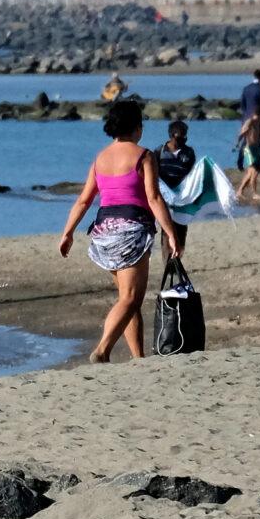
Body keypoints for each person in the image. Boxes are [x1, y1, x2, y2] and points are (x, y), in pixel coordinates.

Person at [57, 96, 184, 363]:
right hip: (131, 233)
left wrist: (67, 232)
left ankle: (138, 357)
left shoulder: (100, 158)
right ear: (136, 127)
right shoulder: (144, 155)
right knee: (130, 298)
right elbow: (154, 198)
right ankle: (103, 349)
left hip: (103, 233)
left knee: (128, 299)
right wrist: (171, 232)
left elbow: (84, 199)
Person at [153, 120, 198, 252]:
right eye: (181, 135)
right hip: (164, 196)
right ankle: (167, 260)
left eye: (185, 135)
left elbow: (192, 175)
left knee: (181, 228)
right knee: (166, 227)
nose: (184, 138)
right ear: (172, 135)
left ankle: (178, 255)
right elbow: (154, 173)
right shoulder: (159, 152)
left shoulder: (189, 153)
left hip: (182, 196)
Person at [234, 67, 260, 202]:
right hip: (256, 120)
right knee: (255, 156)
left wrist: (246, 116)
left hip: (246, 117)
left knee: (248, 148)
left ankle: (241, 188)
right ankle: (253, 191)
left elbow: (243, 105)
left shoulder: (246, 88)